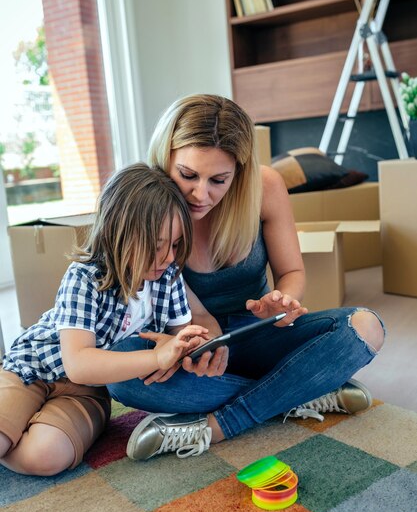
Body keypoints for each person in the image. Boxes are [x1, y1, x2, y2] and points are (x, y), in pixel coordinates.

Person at [107, 94, 385, 463]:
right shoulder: (147, 203)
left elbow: (291, 273)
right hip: (192, 344)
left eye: (219, 180)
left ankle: (221, 425)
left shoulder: (265, 187)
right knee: (118, 371)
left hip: (258, 334)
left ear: (239, 172)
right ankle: (302, 387)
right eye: (188, 175)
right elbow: (168, 305)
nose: (200, 194)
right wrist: (187, 341)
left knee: (366, 327)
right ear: (166, 157)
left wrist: (282, 301)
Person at [0, 163, 209, 476]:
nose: (168, 258)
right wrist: (156, 355)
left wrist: (188, 346)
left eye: (176, 245)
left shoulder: (167, 278)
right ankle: (13, 421)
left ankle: (19, 425)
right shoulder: (84, 277)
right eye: (156, 246)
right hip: (32, 368)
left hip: (89, 391)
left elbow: (183, 338)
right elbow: (78, 363)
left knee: (43, 458)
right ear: (117, 234)